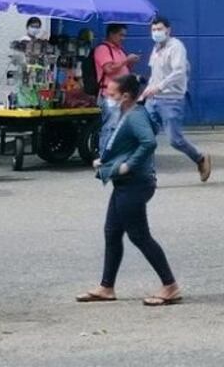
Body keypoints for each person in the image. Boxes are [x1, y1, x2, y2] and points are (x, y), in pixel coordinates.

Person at [77, 74, 181, 307]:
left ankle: (170, 286)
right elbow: (122, 143)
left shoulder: (135, 116)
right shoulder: (125, 113)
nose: (107, 97)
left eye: (111, 94)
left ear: (125, 96)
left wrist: (127, 165)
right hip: (125, 183)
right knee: (112, 232)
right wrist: (105, 162)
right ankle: (106, 287)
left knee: (139, 235)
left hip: (136, 182)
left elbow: (149, 142)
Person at [139, 17, 210, 182]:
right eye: (153, 29)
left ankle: (200, 158)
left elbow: (178, 72)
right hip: (152, 100)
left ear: (168, 30)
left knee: (175, 140)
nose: (156, 32)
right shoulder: (156, 48)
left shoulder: (176, 47)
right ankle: (149, 176)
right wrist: (145, 93)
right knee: (146, 136)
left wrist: (160, 86)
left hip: (171, 99)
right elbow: (154, 75)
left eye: (159, 29)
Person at [95, 24, 140, 149]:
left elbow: (122, 69)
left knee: (121, 127)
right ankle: (104, 157)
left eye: (124, 35)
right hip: (110, 96)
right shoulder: (103, 49)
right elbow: (109, 69)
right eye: (121, 35)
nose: (123, 38)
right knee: (110, 127)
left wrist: (129, 64)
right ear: (111, 34)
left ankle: (117, 154)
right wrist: (126, 60)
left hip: (123, 96)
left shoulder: (119, 50)